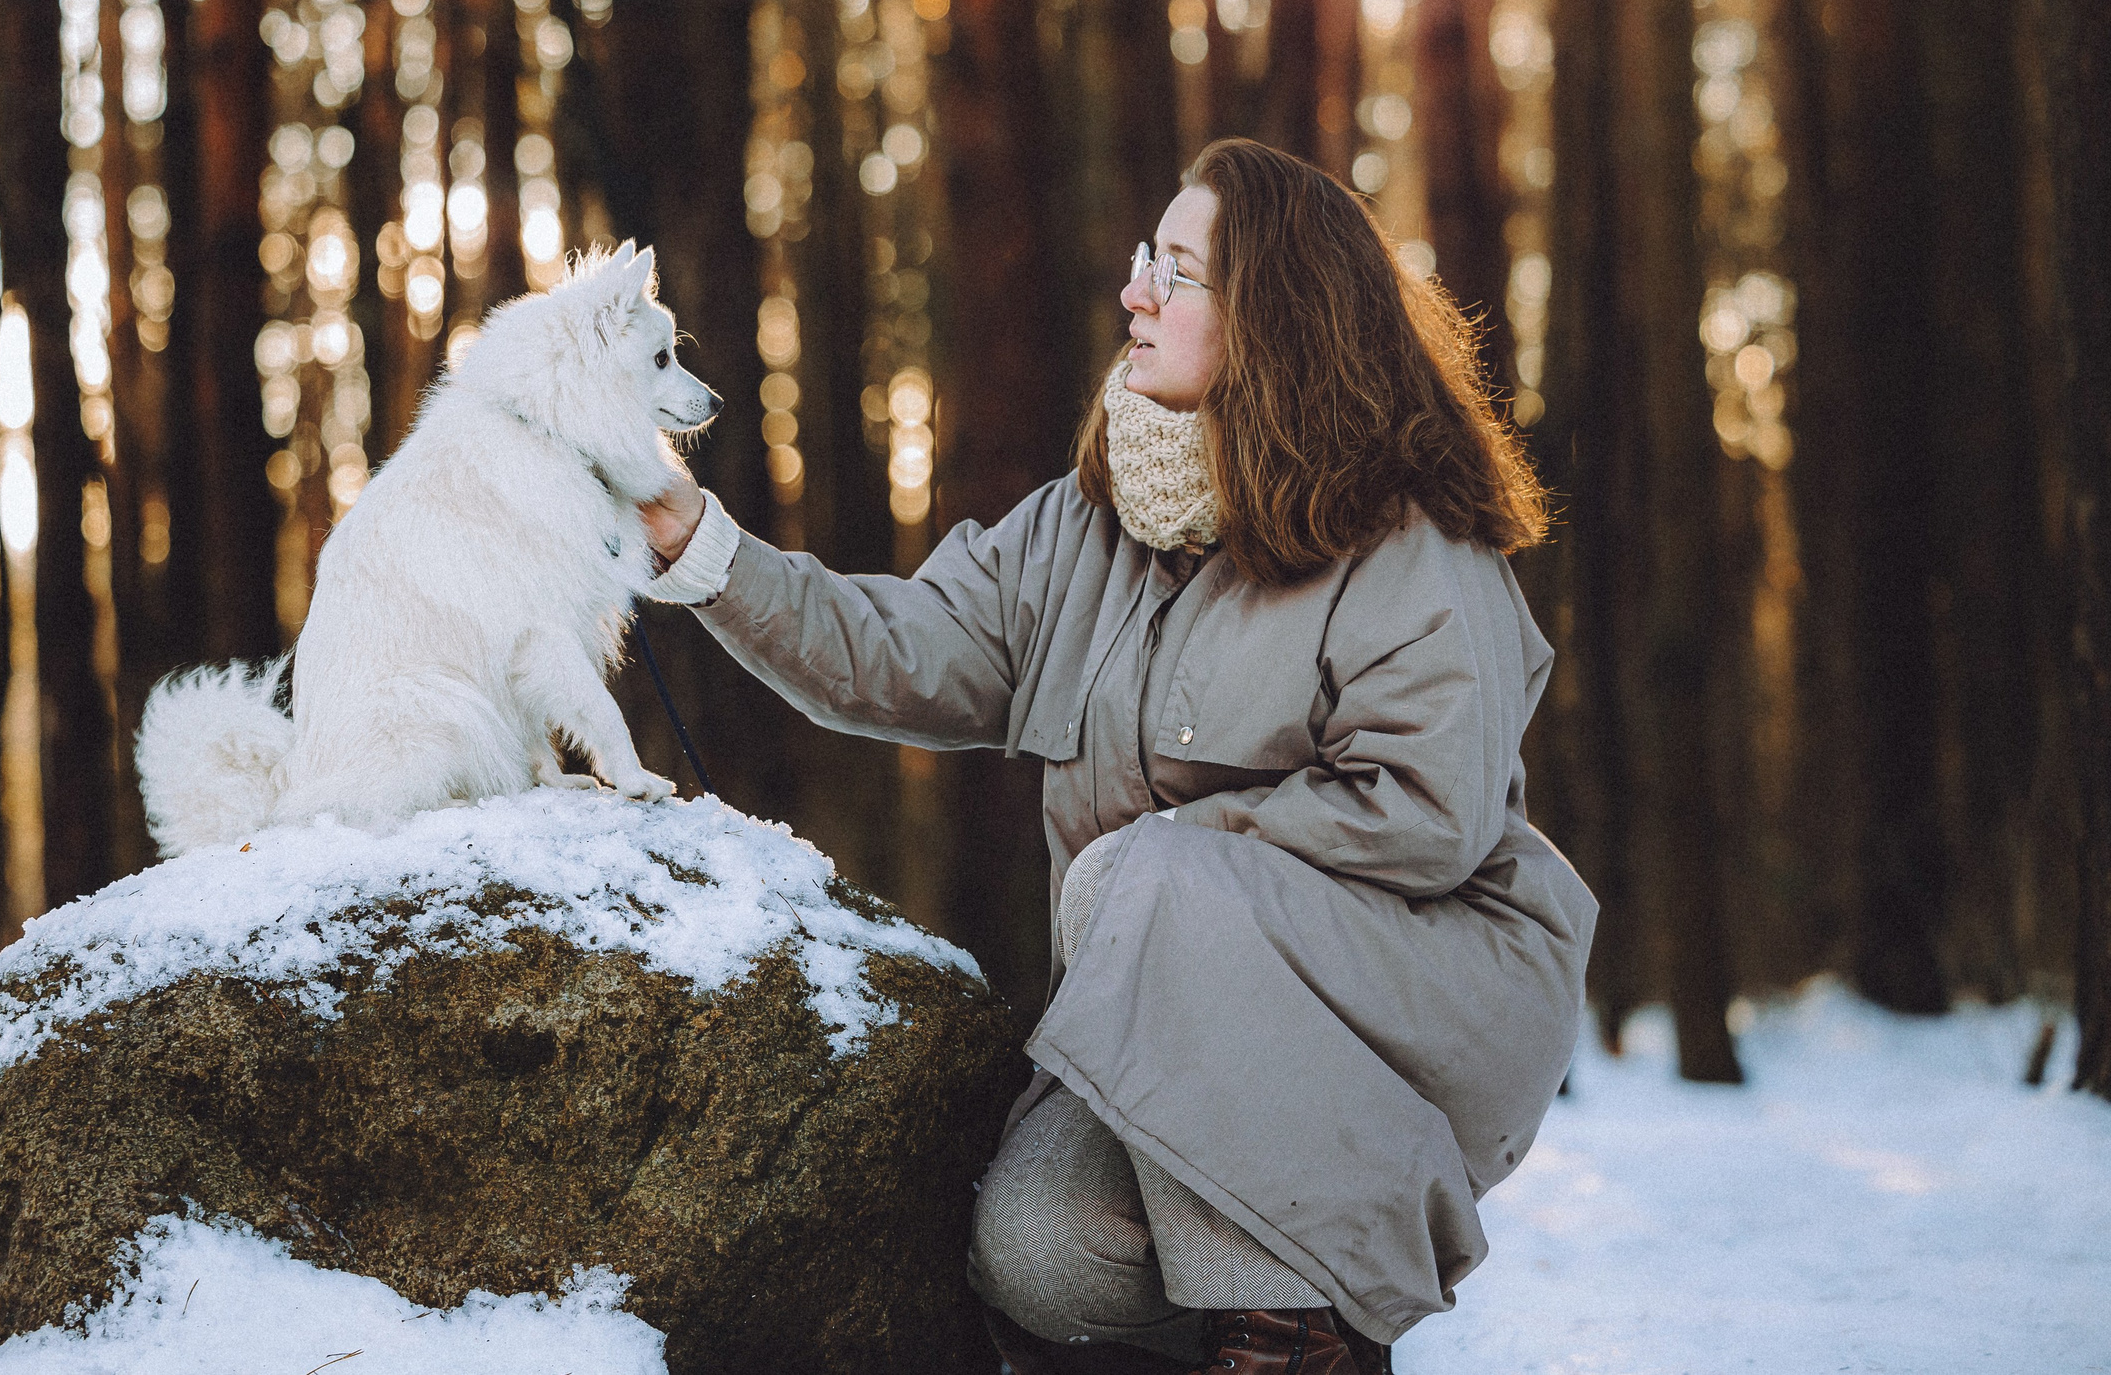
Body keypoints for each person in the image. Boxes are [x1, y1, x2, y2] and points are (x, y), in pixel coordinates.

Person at [636, 138, 1596, 1374]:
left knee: (1132, 877)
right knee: (1039, 1249)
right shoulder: (1085, 525)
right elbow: (898, 650)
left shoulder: (1411, 539)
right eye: (1147, 258)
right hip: (1170, 1006)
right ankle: (1270, 1315)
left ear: (1273, 317)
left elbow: (1422, 813)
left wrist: (1167, 868)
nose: (1135, 293)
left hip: (1418, 1002)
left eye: (1178, 271)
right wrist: (692, 540)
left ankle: (1295, 1347)